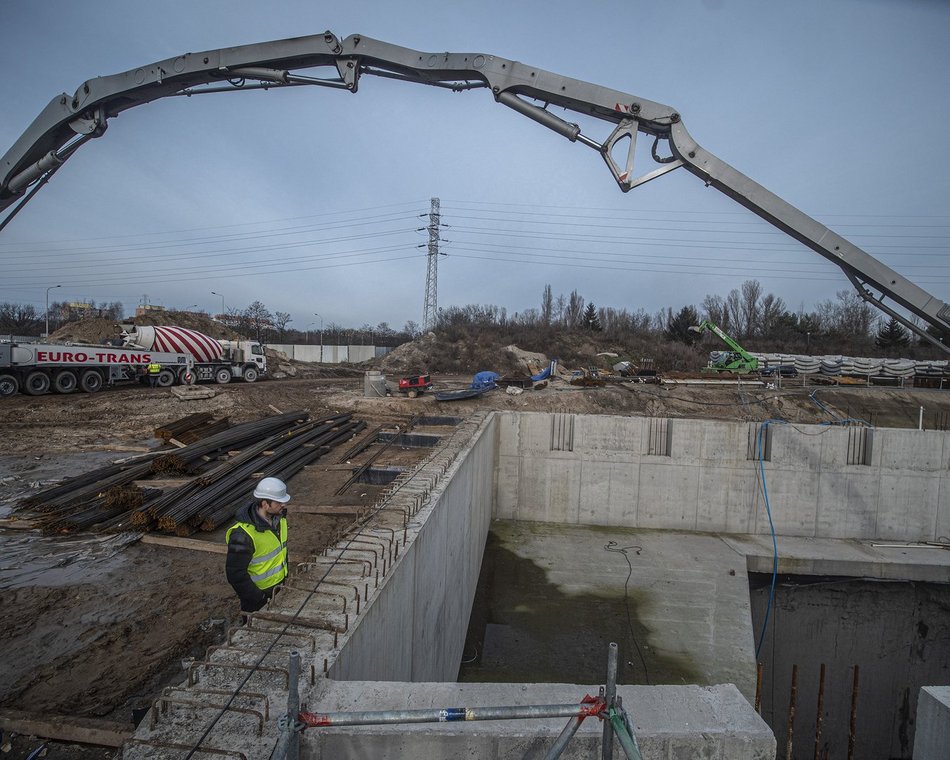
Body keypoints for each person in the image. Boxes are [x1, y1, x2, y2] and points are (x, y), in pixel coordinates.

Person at [225, 476, 290, 615]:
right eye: (279, 502)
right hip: (257, 597)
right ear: (265, 504)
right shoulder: (242, 535)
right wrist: (258, 598)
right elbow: (235, 574)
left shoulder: (280, 520)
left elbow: (281, 551)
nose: (283, 505)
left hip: (279, 587)